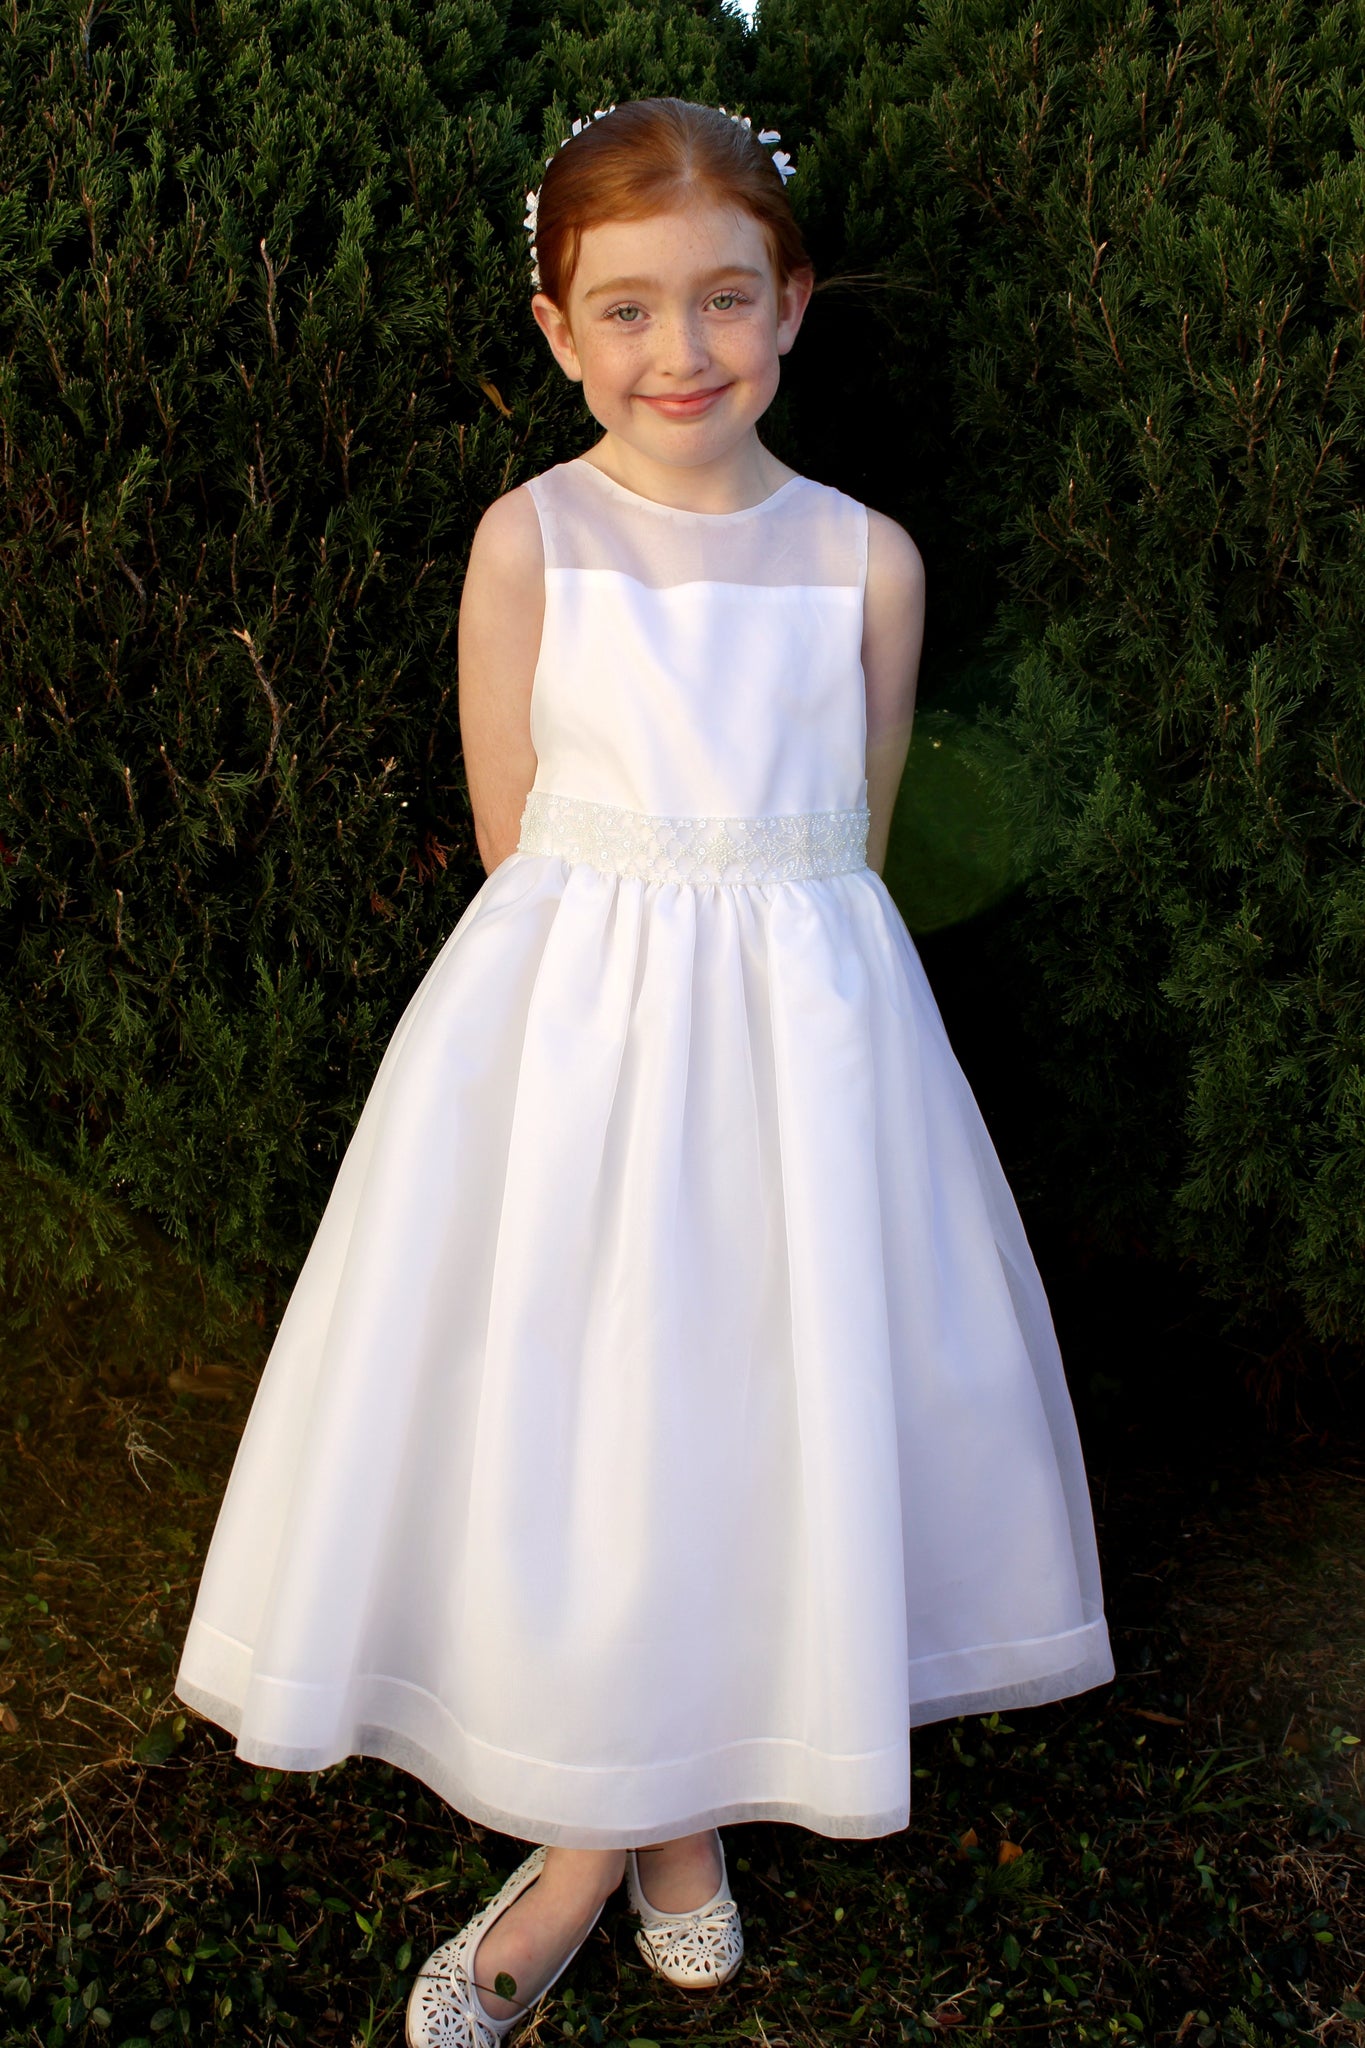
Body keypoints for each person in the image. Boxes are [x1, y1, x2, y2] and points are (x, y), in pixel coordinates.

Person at [173, 96, 1115, 2048]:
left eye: (722, 299)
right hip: (573, 1054)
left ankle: (669, 1818)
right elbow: (517, 835)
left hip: (796, 1059)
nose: (677, 351)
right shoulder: (531, 537)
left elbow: (840, 837)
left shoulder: (863, 561)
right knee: (584, 1421)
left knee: (739, 1415)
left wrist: (760, 1016)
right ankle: (600, 1842)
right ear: (554, 329)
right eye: (625, 310)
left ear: (787, 306)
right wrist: (602, 1050)